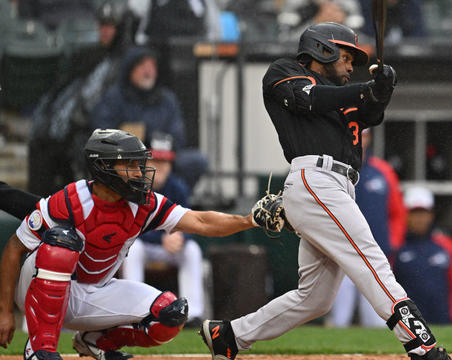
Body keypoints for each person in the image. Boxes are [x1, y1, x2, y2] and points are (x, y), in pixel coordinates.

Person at [199, 22, 451, 360]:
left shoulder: (342, 94)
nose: (350, 66)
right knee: (371, 261)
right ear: (323, 50)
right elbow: (310, 99)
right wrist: (365, 88)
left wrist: (382, 91)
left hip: (339, 186)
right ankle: (422, 346)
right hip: (314, 179)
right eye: (346, 58)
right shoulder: (285, 71)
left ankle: (229, 335)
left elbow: (371, 115)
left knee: (315, 298)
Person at [0, 129, 261, 360]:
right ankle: (39, 347)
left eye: (140, 164)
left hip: (93, 291)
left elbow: (201, 221)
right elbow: (14, 248)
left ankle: (94, 342)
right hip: (37, 289)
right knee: (61, 242)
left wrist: (249, 220)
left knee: (170, 314)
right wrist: (5, 312)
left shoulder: (144, 204)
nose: (140, 172)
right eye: (131, 165)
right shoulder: (69, 200)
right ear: (103, 166)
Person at [27, 0, 133, 197]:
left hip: (97, 130)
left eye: (111, 26)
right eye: (102, 25)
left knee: (76, 149)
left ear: (121, 28)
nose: (105, 31)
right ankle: (39, 216)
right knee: (40, 144)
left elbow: (111, 103)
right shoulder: (89, 55)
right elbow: (63, 92)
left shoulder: (127, 60)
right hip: (70, 129)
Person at [91, 46, 207, 190]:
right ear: (130, 70)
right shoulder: (114, 98)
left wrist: (155, 146)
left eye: (152, 66)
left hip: (162, 158)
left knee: (196, 161)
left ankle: (171, 207)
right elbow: (102, 133)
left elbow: (178, 136)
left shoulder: (167, 99)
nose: (148, 71)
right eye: (142, 66)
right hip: (127, 160)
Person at [121, 133, 206, 328]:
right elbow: (128, 227)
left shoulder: (177, 187)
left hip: (169, 248)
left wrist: (182, 237)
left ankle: (192, 315)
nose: (160, 167)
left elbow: (191, 221)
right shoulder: (132, 187)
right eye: (155, 160)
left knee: (192, 250)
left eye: (165, 162)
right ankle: (135, 313)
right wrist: (161, 240)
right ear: (144, 161)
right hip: (144, 245)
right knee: (133, 249)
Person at [330, 128, 407, 328]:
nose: (360, 140)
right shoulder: (333, 171)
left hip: (376, 255)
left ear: (369, 137)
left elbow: (397, 212)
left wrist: (393, 244)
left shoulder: (383, 171)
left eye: (364, 135)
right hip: (342, 253)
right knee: (340, 318)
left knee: (377, 320)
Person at [394, 187, 452, 325]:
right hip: (408, 324)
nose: (419, 218)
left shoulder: (446, 245)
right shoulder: (396, 246)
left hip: (442, 320)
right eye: (415, 213)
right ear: (406, 215)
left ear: (431, 214)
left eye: (423, 213)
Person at [358, 0, 426, 43]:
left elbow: (418, 38)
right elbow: (369, 37)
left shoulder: (412, 4)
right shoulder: (368, 4)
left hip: (407, 59)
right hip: (376, 57)